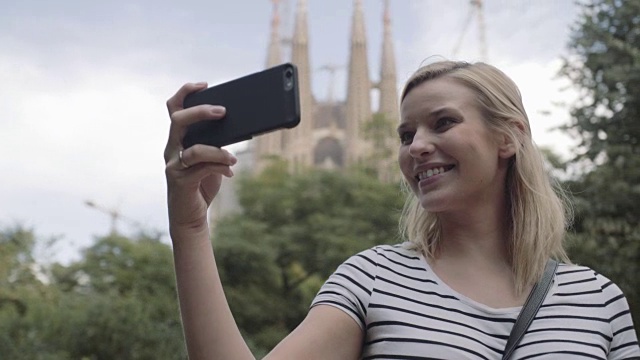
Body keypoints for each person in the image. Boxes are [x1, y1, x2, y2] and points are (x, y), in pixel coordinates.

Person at [164, 61, 640, 359]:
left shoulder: (596, 300)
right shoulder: (373, 278)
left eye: (443, 123)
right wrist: (190, 227)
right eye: (406, 135)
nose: (418, 147)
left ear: (509, 137)